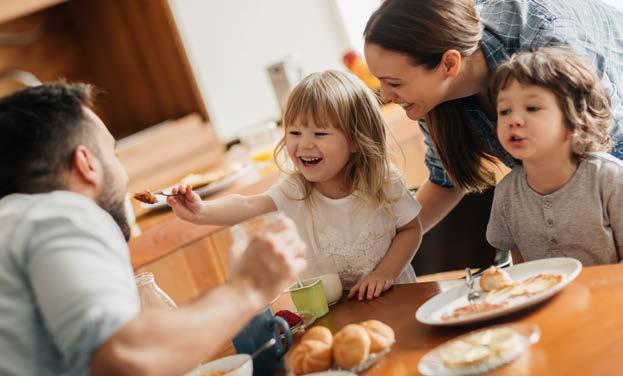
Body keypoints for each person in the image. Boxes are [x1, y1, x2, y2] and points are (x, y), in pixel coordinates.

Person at [0, 82, 307, 375]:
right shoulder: (58, 213)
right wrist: (248, 288)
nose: (122, 175)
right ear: (86, 164)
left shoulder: (16, 224)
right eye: (113, 154)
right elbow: (126, 359)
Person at [363, 0, 623, 234]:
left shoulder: (546, 42)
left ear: (450, 64)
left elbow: (602, 151)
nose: (385, 96)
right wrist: (385, 244)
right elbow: (446, 180)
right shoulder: (431, 97)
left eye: (394, 83)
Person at [168, 70, 423, 301]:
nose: (304, 145)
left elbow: (412, 230)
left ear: (356, 140)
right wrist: (202, 211)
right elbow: (248, 204)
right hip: (331, 312)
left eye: (320, 134)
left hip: (395, 299)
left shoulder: (382, 181)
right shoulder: (295, 190)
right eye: (295, 133)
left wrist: (385, 273)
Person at [486, 48, 623, 265]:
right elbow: (520, 270)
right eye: (504, 111)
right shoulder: (506, 193)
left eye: (531, 108)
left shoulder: (611, 179)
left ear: (574, 121)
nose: (514, 120)